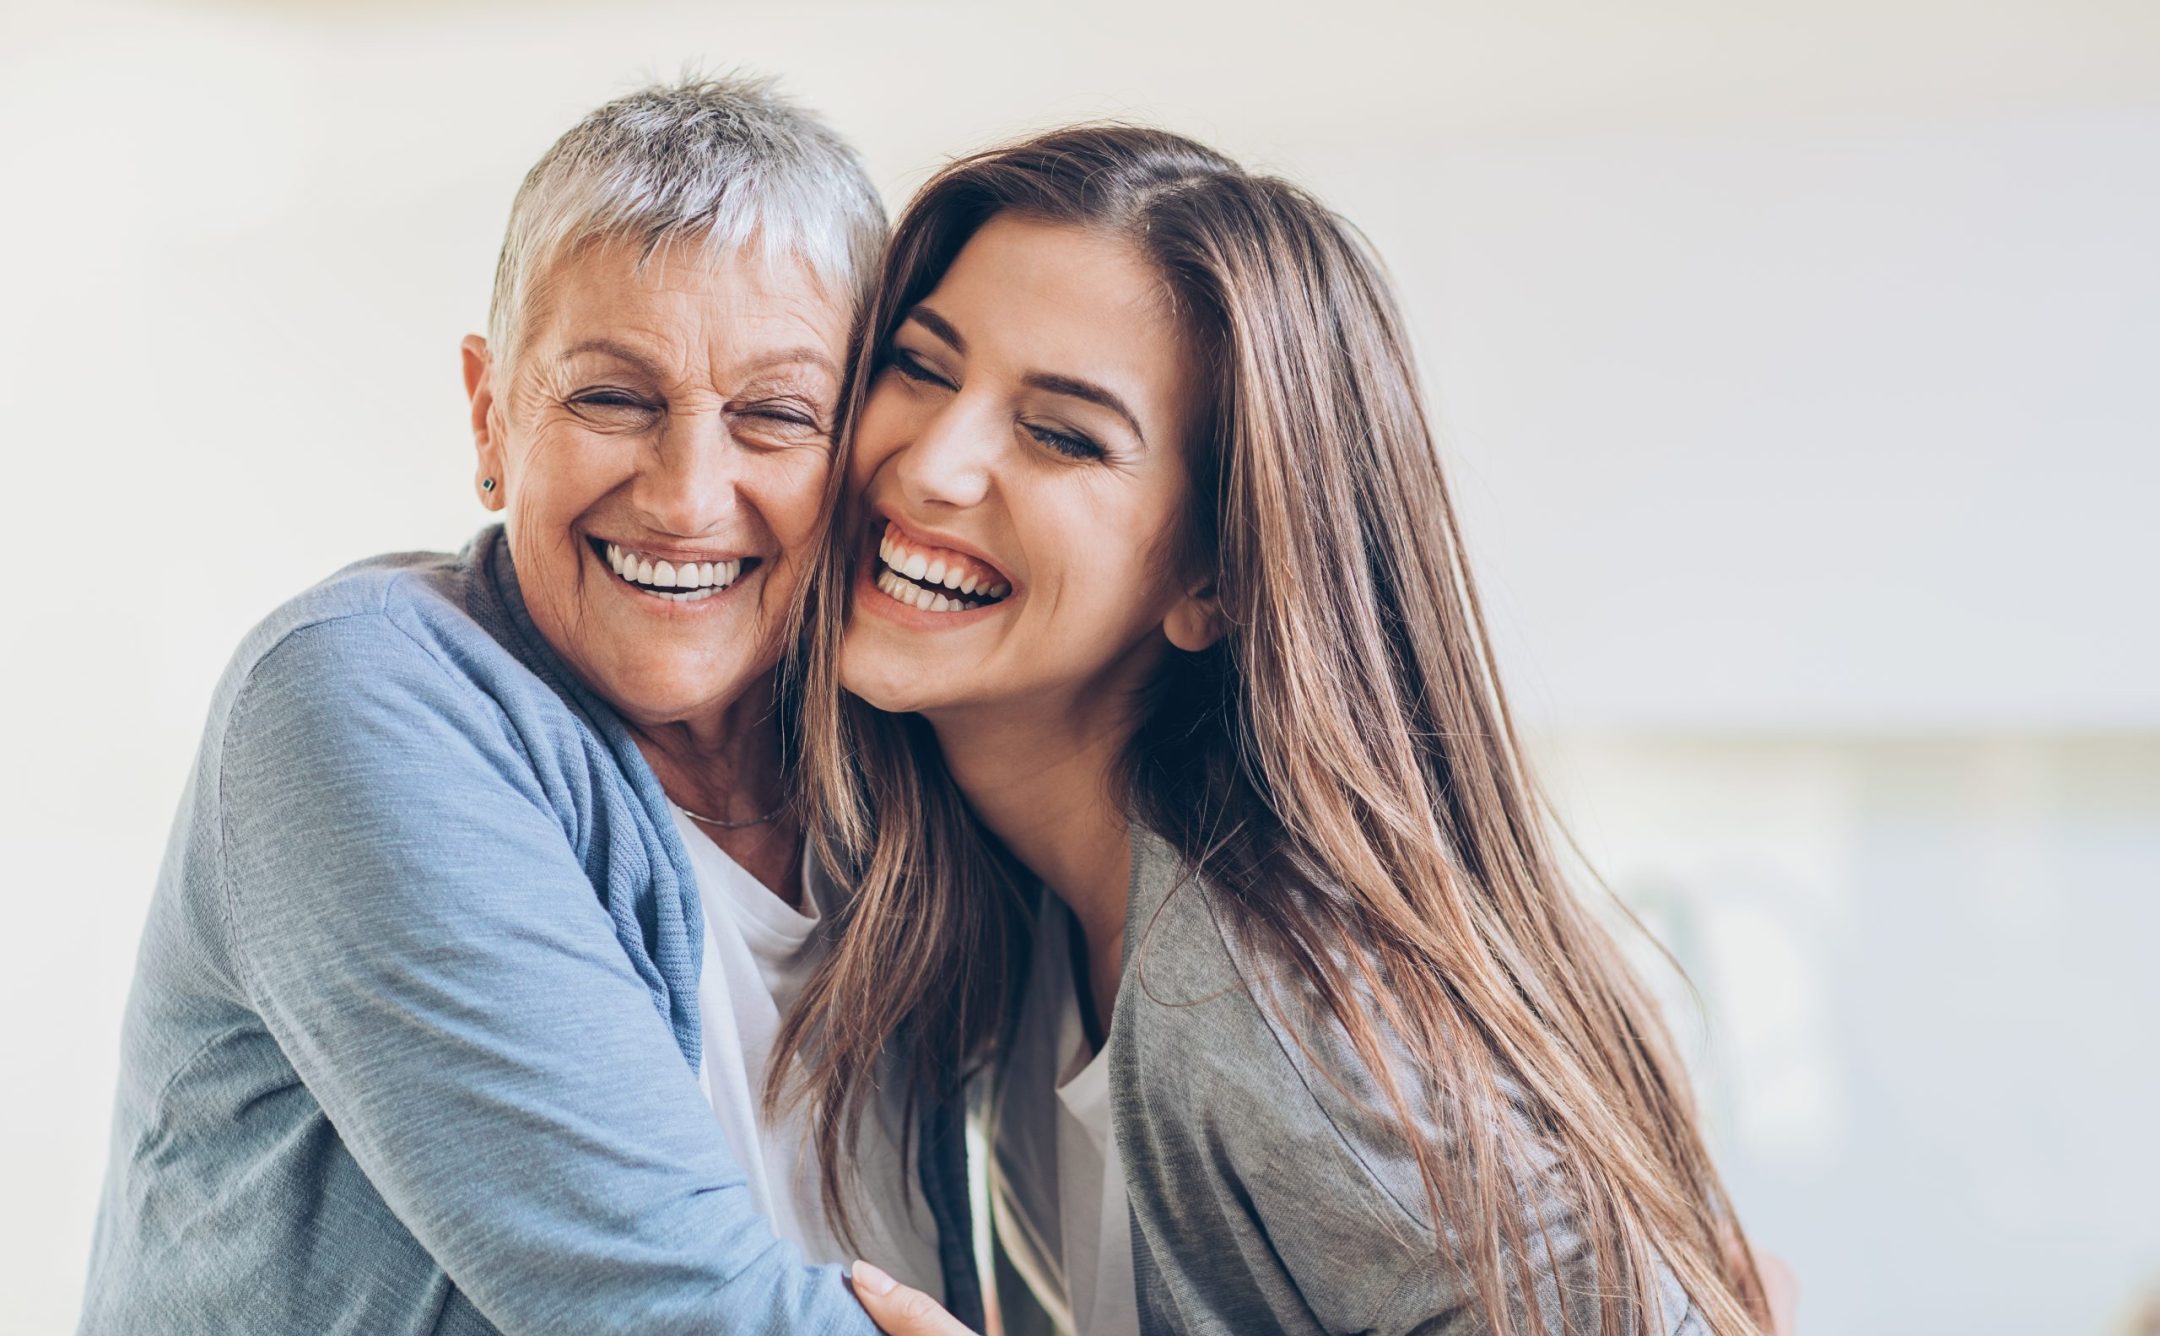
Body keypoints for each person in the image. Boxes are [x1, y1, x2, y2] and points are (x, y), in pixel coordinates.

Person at [784, 125, 1782, 1334]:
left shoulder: (1266, 994)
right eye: (921, 366)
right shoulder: (1036, 926)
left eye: (1063, 434)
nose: (935, 463)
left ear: (1214, 577)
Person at [80, 77, 978, 1335]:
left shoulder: (898, 768)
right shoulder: (354, 694)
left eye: (775, 415)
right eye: (612, 397)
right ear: (491, 414)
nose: (687, 495)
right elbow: (679, 1311)